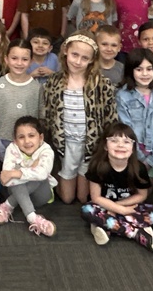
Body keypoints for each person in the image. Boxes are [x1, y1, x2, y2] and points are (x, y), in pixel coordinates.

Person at [40, 32, 116, 204]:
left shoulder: (101, 83)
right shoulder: (53, 82)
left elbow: (110, 117)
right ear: (66, 51)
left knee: (82, 198)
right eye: (75, 55)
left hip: (90, 145)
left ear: (92, 60)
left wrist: (106, 143)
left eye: (84, 58)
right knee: (67, 199)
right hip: (65, 144)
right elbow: (47, 113)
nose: (78, 61)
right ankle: (54, 181)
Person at [81, 121, 153, 252]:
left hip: (127, 205)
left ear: (133, 148)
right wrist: (120, 210)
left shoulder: (139, 168)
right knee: (87, 209)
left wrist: (119, 206)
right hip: (103, 206)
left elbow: (142, 195)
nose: (120, 145)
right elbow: (96, 197)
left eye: (126, 142)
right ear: (105, 146)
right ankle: (134, 232)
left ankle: (106, 226)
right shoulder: (97, 166)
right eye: (114, 141)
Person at [0, 116, 57, 237]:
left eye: (31, 136)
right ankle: (33, 218)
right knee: (23, 179)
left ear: (40, 138)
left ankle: (8, 205)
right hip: (17, 191)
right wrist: (31, 170)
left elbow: (42, 173)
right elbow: (6, 180)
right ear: (15, 140)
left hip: (40, 195)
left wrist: (16, 172)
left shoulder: (46, 150)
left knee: (37, 178)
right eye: (21, 137)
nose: (27, 141)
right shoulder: (12, 148)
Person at [116, 48, 153, 178]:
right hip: (130, 153)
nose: (145, 74)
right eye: (139, 69)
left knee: (147, 186)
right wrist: (138, 157)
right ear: (131, 71)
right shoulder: (123, 96)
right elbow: (126, 128)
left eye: (149, 69)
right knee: (131, 184)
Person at [0, 38, 42, 160]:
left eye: (24, 59)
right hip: (3, 139)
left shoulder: (36, 88)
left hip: (29, 142)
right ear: (6, 59)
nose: (19, 63)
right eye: (14, 58)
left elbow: (40, 118)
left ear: (31, 61)